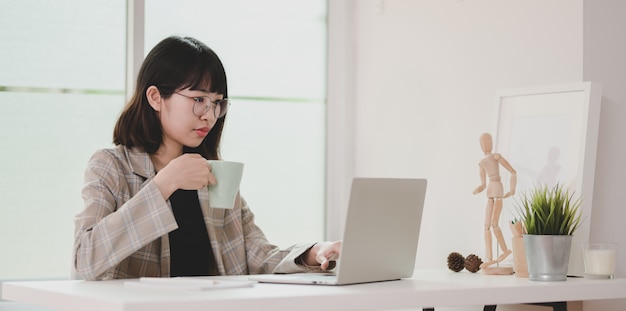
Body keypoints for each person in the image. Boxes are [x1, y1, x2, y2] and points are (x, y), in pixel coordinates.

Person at [73, 35, 341, 281]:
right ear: (155, 97)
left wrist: (313, 253)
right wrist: (163, 184)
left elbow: (256, 256)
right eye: (199, 99)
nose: (209, 115)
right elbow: (84, 260)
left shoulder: (215, 174)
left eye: (217, 103)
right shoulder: (111, 167)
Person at [472, 132, 516, 269]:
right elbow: (483, 183)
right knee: (486, 226)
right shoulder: (481, 163)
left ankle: (504, 250)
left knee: (494, 224)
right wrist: (478, 189)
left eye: (487, 141)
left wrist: (512, 189)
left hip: (497, 189)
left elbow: (513, 171)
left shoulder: (496, 156)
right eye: (483, 142)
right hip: (490, 190)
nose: (485, 144)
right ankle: (490, 257)